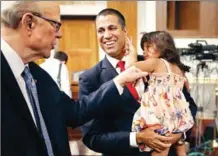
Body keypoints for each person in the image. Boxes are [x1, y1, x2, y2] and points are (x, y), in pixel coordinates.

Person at [1, 2, 148, 156]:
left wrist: (119, 80)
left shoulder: (37, 75)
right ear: (29, 23)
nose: (60, 34)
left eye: (112, 28)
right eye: (56, 25)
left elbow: (74, 113)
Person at [79, 8, 197, 156]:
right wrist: (137, 137)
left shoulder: (156, 63)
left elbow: (189, 105)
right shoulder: (90, 78)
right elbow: (92, 137)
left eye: (112, 28)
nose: (107, 35)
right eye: (100, 31)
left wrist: (178, 134)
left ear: (125, 31)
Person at [128, 31, 194, 156]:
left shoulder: (157, 63)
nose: (144, 52)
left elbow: (132, 68)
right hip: (178, 115)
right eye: (143, 48)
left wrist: (132, 52)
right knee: (180, 149)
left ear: (162, 47)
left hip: (161, 115)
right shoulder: (179, 68)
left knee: (160, 149)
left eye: (148, 47)